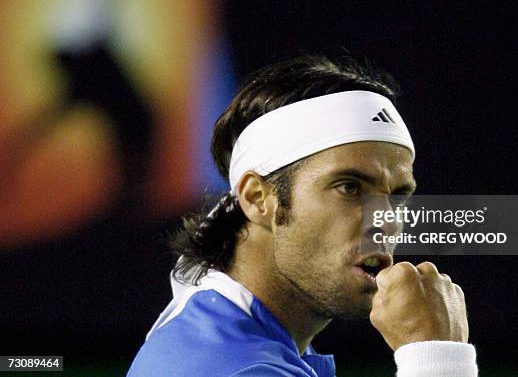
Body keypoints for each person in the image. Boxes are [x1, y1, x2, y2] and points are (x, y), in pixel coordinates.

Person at [127, 55, 478, 376]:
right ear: (257, 198)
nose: (384, 221)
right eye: (350, 187)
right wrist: (436, 359)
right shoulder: (234, 368)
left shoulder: (227, 332)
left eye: (397, 197)